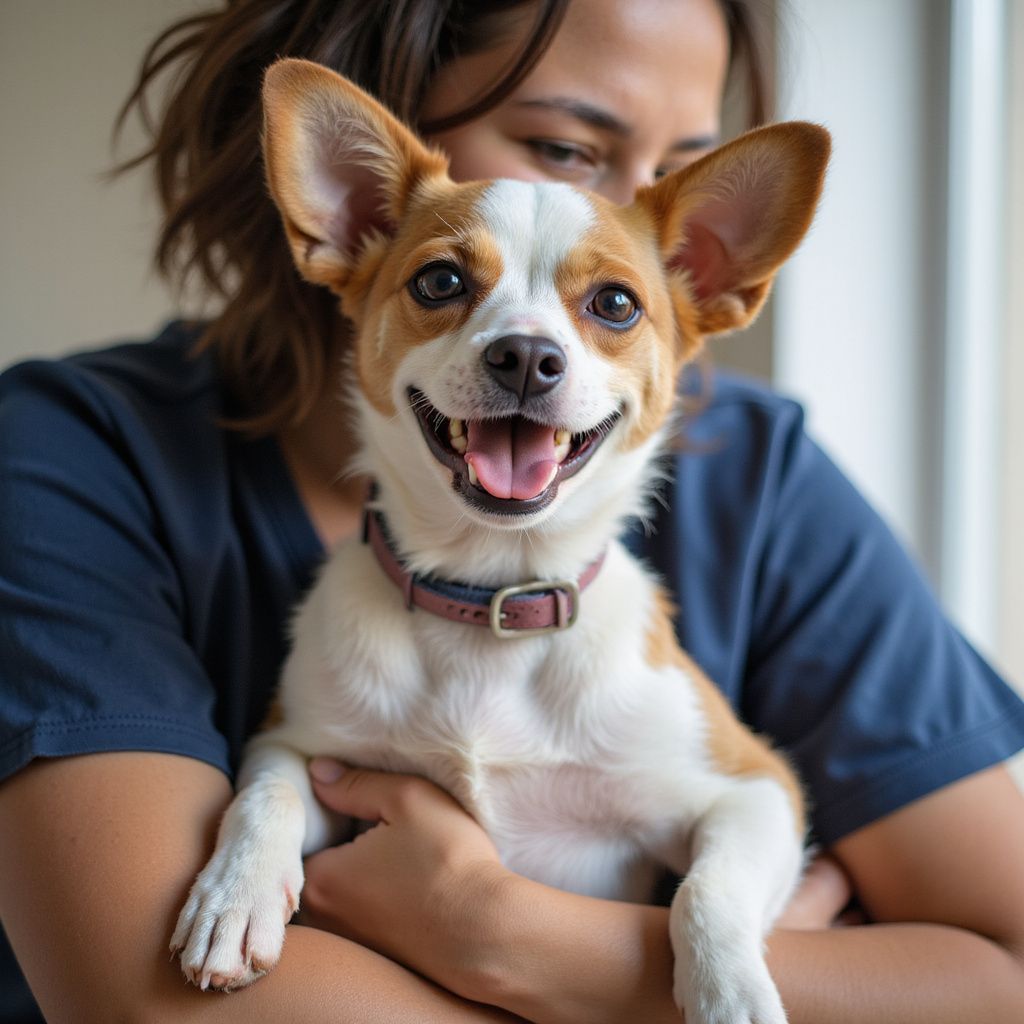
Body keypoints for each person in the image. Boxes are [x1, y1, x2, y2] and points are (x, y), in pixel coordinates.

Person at [2, 0, 1024, 1020]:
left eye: (615, 301)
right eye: (567, 149)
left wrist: (505, 929)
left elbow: (997, 971)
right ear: (355, 203)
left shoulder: (764, 475)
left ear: (701, 283)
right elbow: (140, 1000)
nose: (628, 211)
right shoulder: (71, 454)